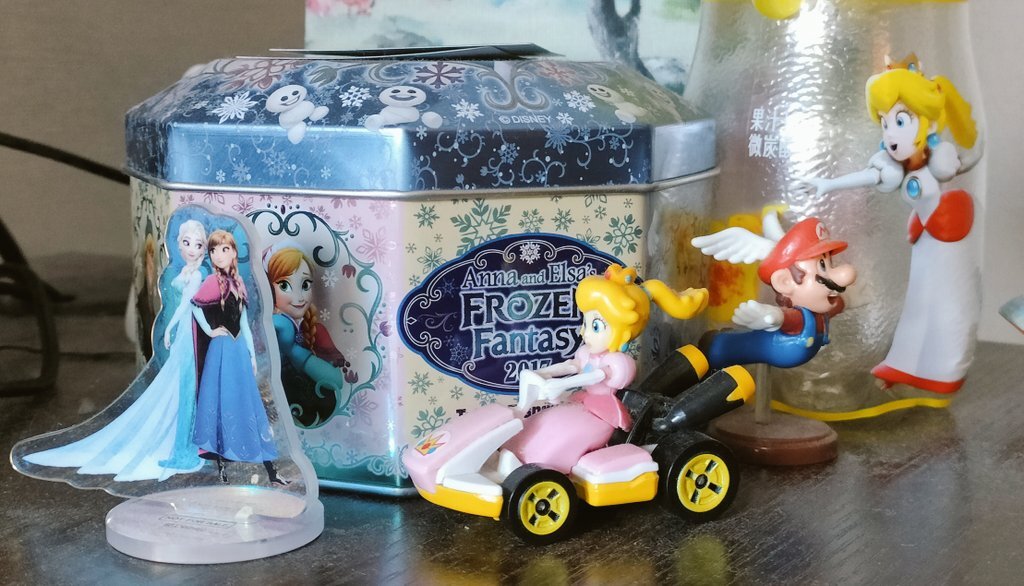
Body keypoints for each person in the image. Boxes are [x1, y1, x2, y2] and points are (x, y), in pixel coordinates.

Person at [807, 54, 980, 394]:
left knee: (947, 302)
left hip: (946, 240)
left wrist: (975, 147)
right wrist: (828, 184)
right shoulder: (897, 167)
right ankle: (907, 365)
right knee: (920, 300)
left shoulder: (940, 159)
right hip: (926, 241)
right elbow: (870, 176)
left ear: (926, 122)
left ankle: (943, 369)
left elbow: (965, 161)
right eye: (886, 124)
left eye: (900, 121)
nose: (890, 134)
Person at [23, 220, 209, 481]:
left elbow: (187, 307)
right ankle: (181, 445)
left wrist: (170, 329)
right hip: (183, 336)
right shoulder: (185, 271)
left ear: (204, 248)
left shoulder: (198, 275)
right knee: (178, 388)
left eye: (197, 244)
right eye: (186, 243)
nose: (191, 249)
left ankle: (185, 449)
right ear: (179, 244)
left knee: (186, 390)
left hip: (189, 336)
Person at [502, 264, 710, 473]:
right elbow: (570, 366)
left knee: (566, 433)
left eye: (596, 326)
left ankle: (545, 466)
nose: (585, 333)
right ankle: (522, 452)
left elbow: (594, 377)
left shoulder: (618, 363)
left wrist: (562, 384)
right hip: (582, 405)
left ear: (624, 332)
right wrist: (543, 373)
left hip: (602, 417)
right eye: (586, 322)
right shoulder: (586, 353)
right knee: (548, 420)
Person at [692, 216, 856, 370]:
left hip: (775, 349)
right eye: (822, 266)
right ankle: (715, 348)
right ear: (785, 282)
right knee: (736, 348)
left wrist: (850, 299)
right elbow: (785, 318)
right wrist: (773, 316)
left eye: (829, 264)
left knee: (746, 345)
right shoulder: (800, 317)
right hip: (749, 348)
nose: (843, 275)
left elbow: (836, 306)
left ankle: (719, 346)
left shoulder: (819, 313)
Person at [191, 229, 286, 485]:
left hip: (238, 351)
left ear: (234, 252)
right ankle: (222, 467)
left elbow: (243, 321)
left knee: (249, 402)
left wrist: (252, 354)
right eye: (213, 250)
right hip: (220, 350)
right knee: (222, 402)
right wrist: (210, 330)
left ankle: (271, 470)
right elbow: (195, 305)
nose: (218, 255)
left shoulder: (238, 282)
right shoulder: (211, 281)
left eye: (224, 249)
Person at [265, 244, 351, 428]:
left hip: (311, 411)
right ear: (269, 290)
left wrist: (293, 350)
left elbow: (336, 381)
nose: (299, 297)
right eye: (284, 285)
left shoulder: (316, 330)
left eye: (305, 285)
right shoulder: (269, 325)